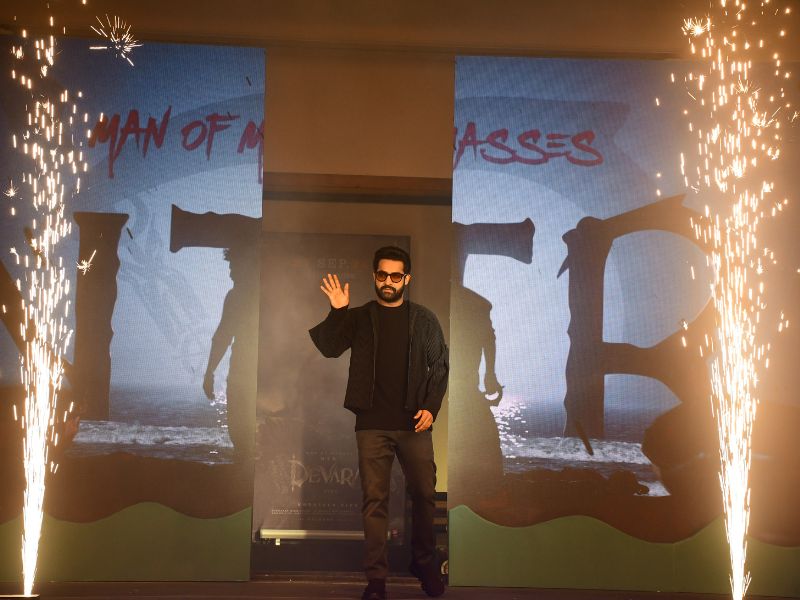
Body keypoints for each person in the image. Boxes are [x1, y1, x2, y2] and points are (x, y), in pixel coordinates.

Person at [309, 246, 448, 600]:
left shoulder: (424, 319)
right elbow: (329, 347)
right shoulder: (359, 317)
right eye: (382, 275)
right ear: (375, 276)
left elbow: (440, 366)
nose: (388, 281)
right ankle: (376, 581)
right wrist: (337, 311)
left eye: (395, 276)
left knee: (425, 494)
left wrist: (431, 408)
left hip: (415, 424)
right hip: (371, 424)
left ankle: (423, 562)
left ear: (406, 279)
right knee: (375, 501)